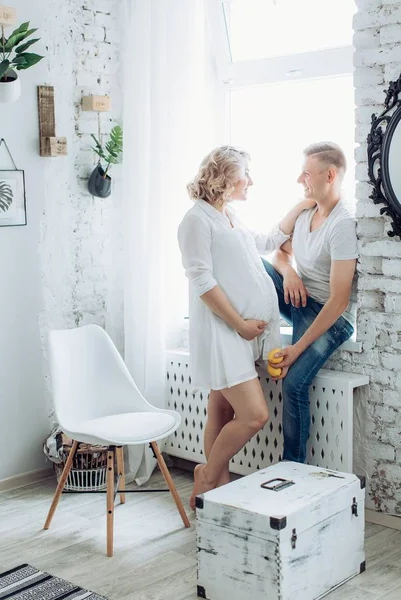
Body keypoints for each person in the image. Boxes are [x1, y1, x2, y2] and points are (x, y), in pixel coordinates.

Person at [177, 146, 315, 508]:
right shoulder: (196, 220)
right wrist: (239, 324)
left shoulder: (229, 215)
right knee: (254, 415)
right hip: (224, 331)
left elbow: (265, 243)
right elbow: (201, 281)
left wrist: (300, 208)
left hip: (241, 333)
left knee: (220, 410)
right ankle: (206, 474)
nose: (250, 181)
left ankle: (216, 491)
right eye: (245, 174)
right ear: (225, 176)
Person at [264, 141, 358, 464]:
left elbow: (339, 302)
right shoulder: (306, 213)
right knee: (257, 267)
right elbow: (277, 251)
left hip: (329, 319)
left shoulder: (342, 225)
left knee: (293, 386)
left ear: (330, 175)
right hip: (300, 300)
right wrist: (289, 272)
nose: (300, 179)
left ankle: (293, 468)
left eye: (306, 173)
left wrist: (296, 348)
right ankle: (249, 334)